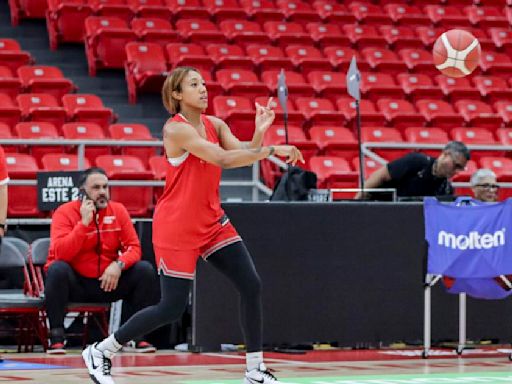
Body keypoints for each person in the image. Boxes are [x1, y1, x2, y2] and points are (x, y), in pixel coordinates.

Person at [82, 66, 303, 384]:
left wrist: (259, 133)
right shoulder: (177, 130)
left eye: (203, 83)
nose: (203, 88)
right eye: (194, 84)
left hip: (212, 220)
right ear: (176, 94)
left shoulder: (214, 123)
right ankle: (102, 351)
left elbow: (238, 150)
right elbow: (223, 160)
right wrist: (270, 151)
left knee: (251, 284)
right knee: (170, 307)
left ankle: (255, 369)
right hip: (177, 226)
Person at [45, 167, 158, 354]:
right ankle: (56, 338)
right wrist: (83, 224)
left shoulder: (119, 211)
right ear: (82, 193)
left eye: (105, 187)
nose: (103, 192)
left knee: (144, 270)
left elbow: (134, 247)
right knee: (57, 269)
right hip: (77, 284)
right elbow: (61, 253)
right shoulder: (64, 213)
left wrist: (119, 265)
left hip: (108, 282)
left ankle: (135, 337)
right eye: (96, 187)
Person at [355, 141, 470, 200]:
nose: (457, 171)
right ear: (445, 155)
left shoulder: (446, 189)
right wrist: (356, 202)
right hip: (382, 206)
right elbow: (380, 176)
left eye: (460, 168)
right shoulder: (416, 162)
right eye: (456, 165)